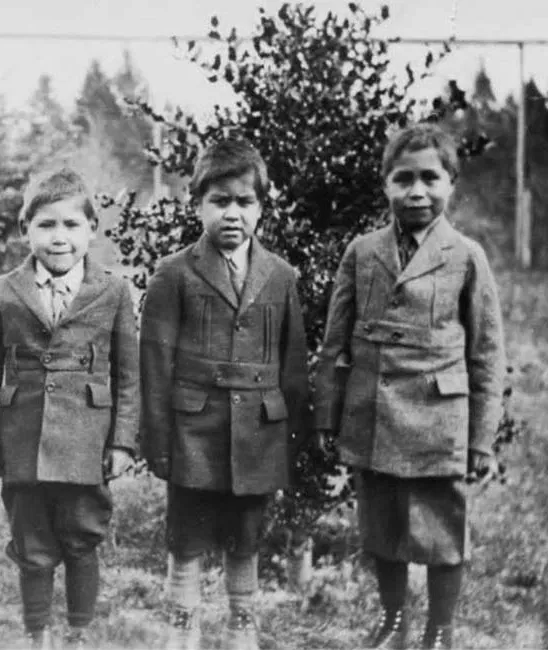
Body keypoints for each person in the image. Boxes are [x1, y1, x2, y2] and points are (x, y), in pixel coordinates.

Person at [314, 122, 506, 650]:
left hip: (440, 418)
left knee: (443, 529)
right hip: (374, 412)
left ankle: (440, 629)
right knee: (382, 526)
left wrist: (482, 440)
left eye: (430, 178)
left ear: (451, 184)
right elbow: (335, 343)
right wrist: (328, 417)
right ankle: (393, 620)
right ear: (385, 185)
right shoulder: (362, 251)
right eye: (403, 179)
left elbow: (487, 354)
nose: (417, 191)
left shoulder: (466, 256)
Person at [140, 137, 308, 650]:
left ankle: (242, 622)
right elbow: (154, 364)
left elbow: (293, 363)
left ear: (262, 206)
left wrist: (292, 438)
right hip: (194, 429)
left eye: (245, 201)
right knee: (187, 532)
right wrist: (158, 440)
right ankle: (183, 621)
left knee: (246, 533)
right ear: (196, 204)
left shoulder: (280, 276)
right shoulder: (173, 274)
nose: (232, 213)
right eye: (219, 201)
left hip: (259, 430)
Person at [0, 167, 140, 649]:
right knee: (32, 543)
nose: (59, 237)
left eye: (71, 225)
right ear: (26, 230)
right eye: (46, 225)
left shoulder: (112, 291)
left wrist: (123, 440)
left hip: (87, 441)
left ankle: (79, 632)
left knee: (83, 537)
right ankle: (37, 633)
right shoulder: (5, 290)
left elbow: (128, 373)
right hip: (22, 438)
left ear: (92, 229)